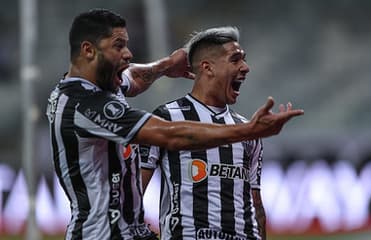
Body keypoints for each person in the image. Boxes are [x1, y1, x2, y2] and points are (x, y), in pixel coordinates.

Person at [46, 9, 303, 240]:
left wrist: (167, 65)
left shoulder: (101, 82)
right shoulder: (85, 104)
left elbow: (133, 76)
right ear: (89, 50)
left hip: (130, 232)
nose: (128, 53)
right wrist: (249, 131)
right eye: (118, 46)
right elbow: (171, 136)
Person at [140, 26, 270, 240]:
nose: (245, 67)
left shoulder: (246, 129)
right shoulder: (166, 118)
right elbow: (134, 191)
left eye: (244, 59)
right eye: (235, 59)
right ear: (208, 67)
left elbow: (256, 204)